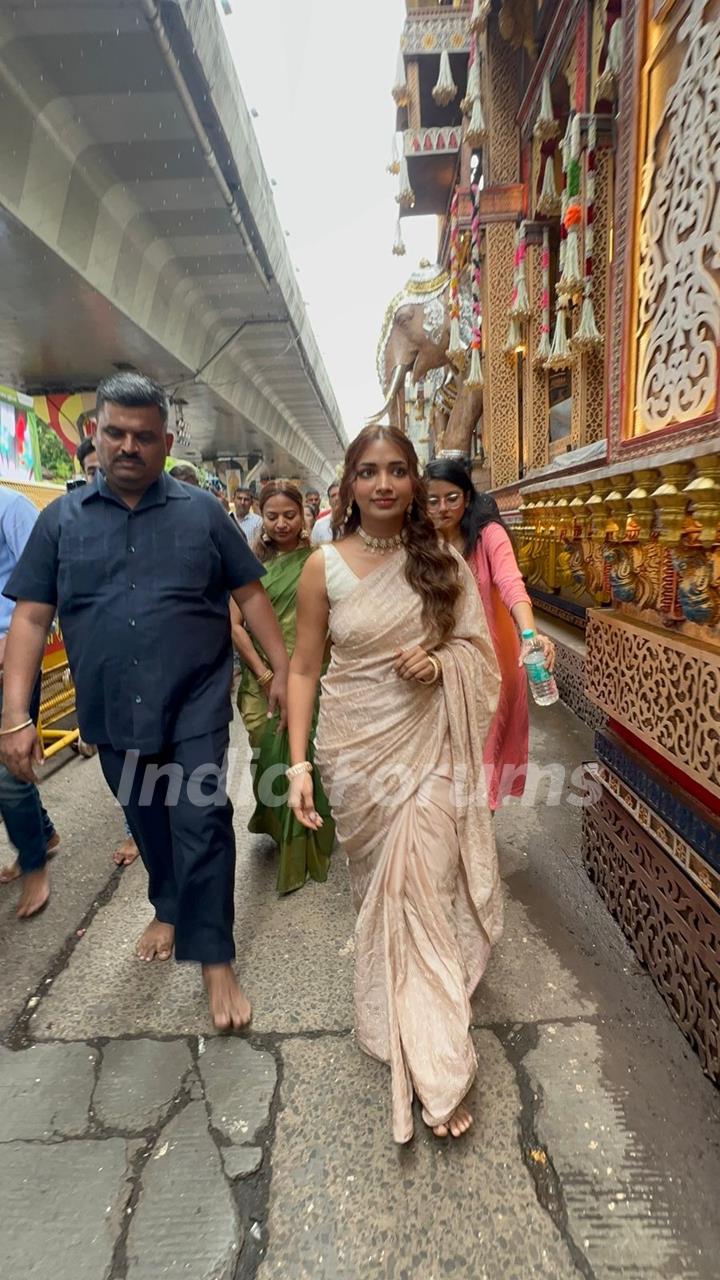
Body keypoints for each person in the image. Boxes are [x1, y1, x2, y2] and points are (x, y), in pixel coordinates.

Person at [0, 371, 289, 1030]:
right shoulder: (58, 523)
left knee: (200, 820)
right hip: (111, 711)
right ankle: (166, 903)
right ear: (94, 436)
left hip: (196, 703)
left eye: (143, 436)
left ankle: (216, 962)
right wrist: (16, 715)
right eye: (115, 433)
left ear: (165, 441)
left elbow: (248, 595)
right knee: (149, 821)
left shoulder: (203, 514)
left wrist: (279, 669)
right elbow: (30, 619)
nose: (128, 447)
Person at [287, 425, 502, 1144]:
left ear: (414, 483)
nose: (383, 484)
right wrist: (297, 767)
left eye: (398, 471)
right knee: (382, 895)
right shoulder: (324, 567)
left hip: (432, 745)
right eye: (368, 472)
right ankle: (402, 1018)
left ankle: (437, 1069)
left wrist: (442, 668)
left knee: (424, 898)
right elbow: (305, 671)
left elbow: (477, 652)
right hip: (356, 753)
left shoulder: (442, 559)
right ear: (348, 484)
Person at [425, 459, 555, 810]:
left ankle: (477, 844)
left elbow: (512, 585)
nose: (442, 508)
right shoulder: (422, 545)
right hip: (443, 667)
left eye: (451, 498)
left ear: (467, 497)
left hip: (494, 667)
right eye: (432, 500)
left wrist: (530, 635)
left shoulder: (488, 536)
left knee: (484, 766)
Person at [230, 482, 333, 893]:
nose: (281, 523)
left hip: (311, 674)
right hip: (261, 681)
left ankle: (307, 837)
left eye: (289, 515)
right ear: (261, 516)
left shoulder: (318, 561)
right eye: (271, 516)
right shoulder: (247, 564)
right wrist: (269, 675)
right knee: (268, 754)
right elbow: (235, 627)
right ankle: (279, 826)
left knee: (307, 753)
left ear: (304, 516)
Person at [77, 432, 141, 867]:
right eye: (90, 471)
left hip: (156, 668)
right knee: (121, 761)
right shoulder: (70, 525)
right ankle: (136, 826)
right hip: (103, 672)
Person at [0, 488, 59, 918]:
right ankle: (44, 833)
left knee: (9, 768)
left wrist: (11, 641)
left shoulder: (11, 507)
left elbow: (42, 585)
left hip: (10, 657)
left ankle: (35, 864)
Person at [310, 481, 340, 546]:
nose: (337, 498)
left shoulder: (355, 524)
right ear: (329, 501)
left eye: (340, 494)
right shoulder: (319, 525)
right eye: (333, 495)